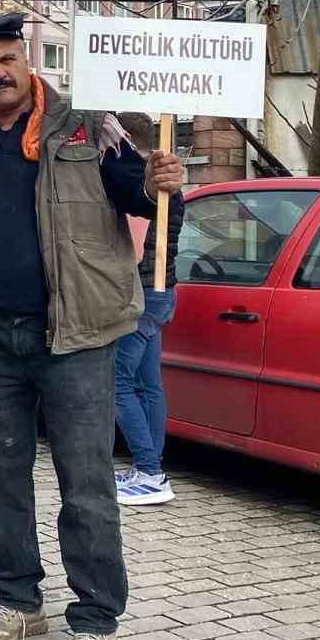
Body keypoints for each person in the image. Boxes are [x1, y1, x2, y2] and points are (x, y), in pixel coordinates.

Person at [0, 13, 185, 640]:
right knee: (2, 479)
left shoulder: (87, 128)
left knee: (87, 482)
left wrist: (163, 186)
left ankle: (97, 619)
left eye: (8, 58)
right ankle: (18, 604)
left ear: (27, 58)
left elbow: (143, 199)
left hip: (75, 336)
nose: (0, 73)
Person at [112, 112, 185, 506]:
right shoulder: (171, 185)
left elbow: (135, 247)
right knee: (148, 383)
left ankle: (150, 472)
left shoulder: (146, 184)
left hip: (140, 293)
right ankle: (151, 467)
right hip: (162, 292)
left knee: (117, 382)